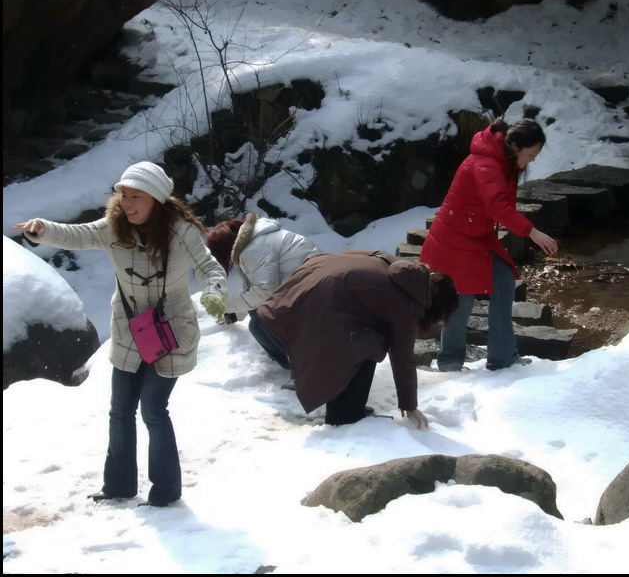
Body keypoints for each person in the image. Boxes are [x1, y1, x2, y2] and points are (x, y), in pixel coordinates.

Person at [13, 161, 228, 507]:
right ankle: (118, 486)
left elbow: (209, 267)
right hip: (130, 331)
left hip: (171, 330)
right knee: (120, 409)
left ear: (155, 199)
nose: (127, 203)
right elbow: (77, 235)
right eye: (123, 195)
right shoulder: (115, 227)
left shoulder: (180, 231)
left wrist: (215, 291)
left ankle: (166, 493)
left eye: (136, 196)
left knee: (154, 409)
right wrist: (42, 229)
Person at [254, 250, 459, 428]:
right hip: (321, 304)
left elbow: (348, 255)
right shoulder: (408, 304)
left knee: (358, 339)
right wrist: (410, 406)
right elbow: (402, 357)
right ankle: (344, 416)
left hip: (297, 292)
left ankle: (342, 402)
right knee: (369, 344)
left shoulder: (395, 266)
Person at [420, 118, 559, 372]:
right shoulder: (486, 163)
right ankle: (450, 362)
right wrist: (532, 232)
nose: (534, 159)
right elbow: (496, 205)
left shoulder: (503, 159)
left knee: (504, 281)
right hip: (454, 239)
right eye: (532, 153)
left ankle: (503, 356)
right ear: (515, 145)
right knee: (460, 303)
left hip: (478, 236)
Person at [206, 212, 319, 371]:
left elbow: (264, 292)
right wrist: (237, 312)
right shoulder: (258, 238)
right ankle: (292, 353)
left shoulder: (253, 249)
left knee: (259, 325)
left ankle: (302, 367)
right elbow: (256, 286)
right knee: (257, 313)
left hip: (311, 297)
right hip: (312, 287)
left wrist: (227, 305)